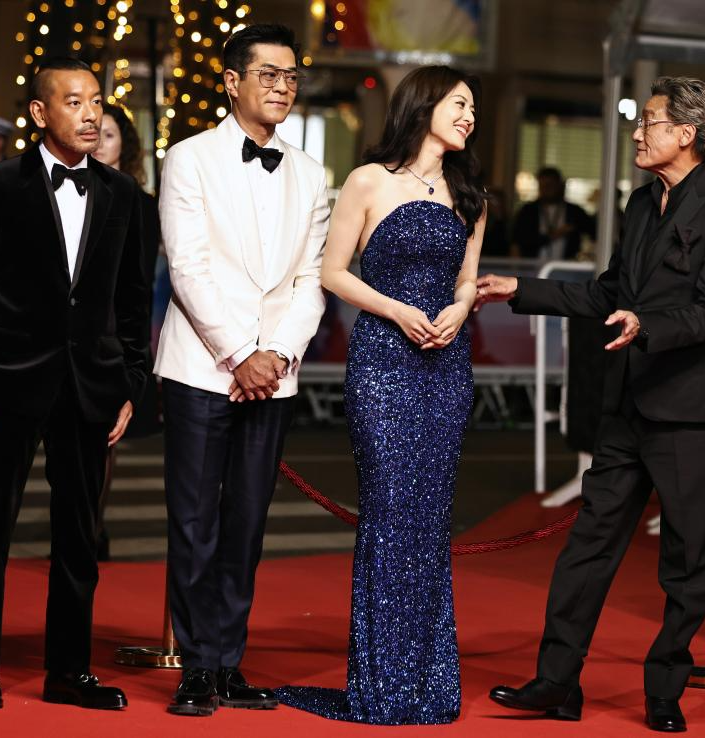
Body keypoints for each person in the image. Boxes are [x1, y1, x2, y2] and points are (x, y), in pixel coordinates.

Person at [476, 77, 705, 732]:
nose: (637, 131)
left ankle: (664, 689)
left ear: (685, 133)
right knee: (587, 547)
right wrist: (523, 290)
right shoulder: (640, 202)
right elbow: (609, 293)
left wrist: (646, 326)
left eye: (648, 121)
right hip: (627, 406)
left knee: (687, 562)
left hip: (690, 413)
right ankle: (556, 682)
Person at [0, 57, 150, 710]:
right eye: (74, 101)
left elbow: (133, 302)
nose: (90, 114)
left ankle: (69, 671)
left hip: (89, 387)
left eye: (97, 101)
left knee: (79, 537)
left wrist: (131, 383)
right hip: (4, 381)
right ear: (39, 112)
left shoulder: (122, 195)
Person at [276, 65, 486, 725]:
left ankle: (425, 683)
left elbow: (467, 279)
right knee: (390, 510)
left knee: (431, 517)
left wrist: (460, 308)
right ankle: (381, 683)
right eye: (459, 104)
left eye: (473, 109)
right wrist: (396, 311)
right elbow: (332, 272)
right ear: (423, 105)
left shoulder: (470, 195)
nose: (469, 117)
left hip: (446, 365)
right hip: (384, 363)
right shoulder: (368, 181)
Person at [155, 23, 329, 717]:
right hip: (203, 367)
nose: (283, 87)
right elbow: (186, 267)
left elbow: (312, 280)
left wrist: (277, 354)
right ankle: (196, 667)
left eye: (291, 77)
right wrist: (238, 353)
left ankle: (227, 662)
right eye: (269, 74)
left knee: (247, 523)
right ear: (232, 82)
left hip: (274, 375)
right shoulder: (189, 158)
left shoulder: (311, 172)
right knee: (194, 522)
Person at [91, 102, 161, 561]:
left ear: (126, 145)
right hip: (65, 336)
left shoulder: (141, 204)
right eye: (95, 132)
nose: (99, 142)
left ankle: (90, 527)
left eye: (110, 135)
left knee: (103, 443)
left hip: (114, 337)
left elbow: (141, 281)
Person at [512, 167, 594, 260]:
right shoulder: (528, 211)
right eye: (543, 186)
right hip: (532, 265)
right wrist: (553, 235)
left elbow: (593, 233)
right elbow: (517, 243)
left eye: (550, 185)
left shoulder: (574, 211)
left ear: (559, 185)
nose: (546, 189)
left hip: (567, 266)